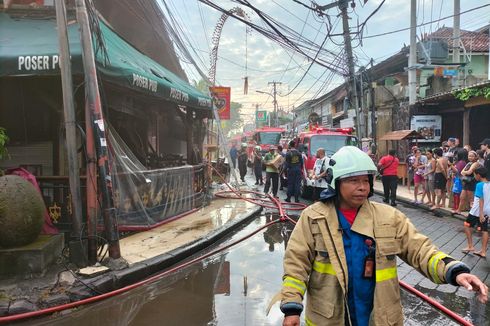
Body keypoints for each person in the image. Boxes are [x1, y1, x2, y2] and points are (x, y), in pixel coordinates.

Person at [273, 146, 488, 326]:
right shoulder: (313, 218)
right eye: (353, 181)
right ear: (336, 183)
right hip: (329, 318)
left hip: (379, 318)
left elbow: (421, 250)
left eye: (366, 181)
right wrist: (292, 308)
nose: (362, 187)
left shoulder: (389, 217)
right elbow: (296, 264)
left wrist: (454, 271)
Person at [462, 167, 489, 258]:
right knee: (484, 230)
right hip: (487, 210)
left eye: (475, 174)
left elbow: (480, 199)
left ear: (478, 175)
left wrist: (480, 212)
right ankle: (483, 251)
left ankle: (470, 246)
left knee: (466, 225)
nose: (474, 176)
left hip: (477, 210)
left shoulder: (479, 185)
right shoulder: (489, 184)